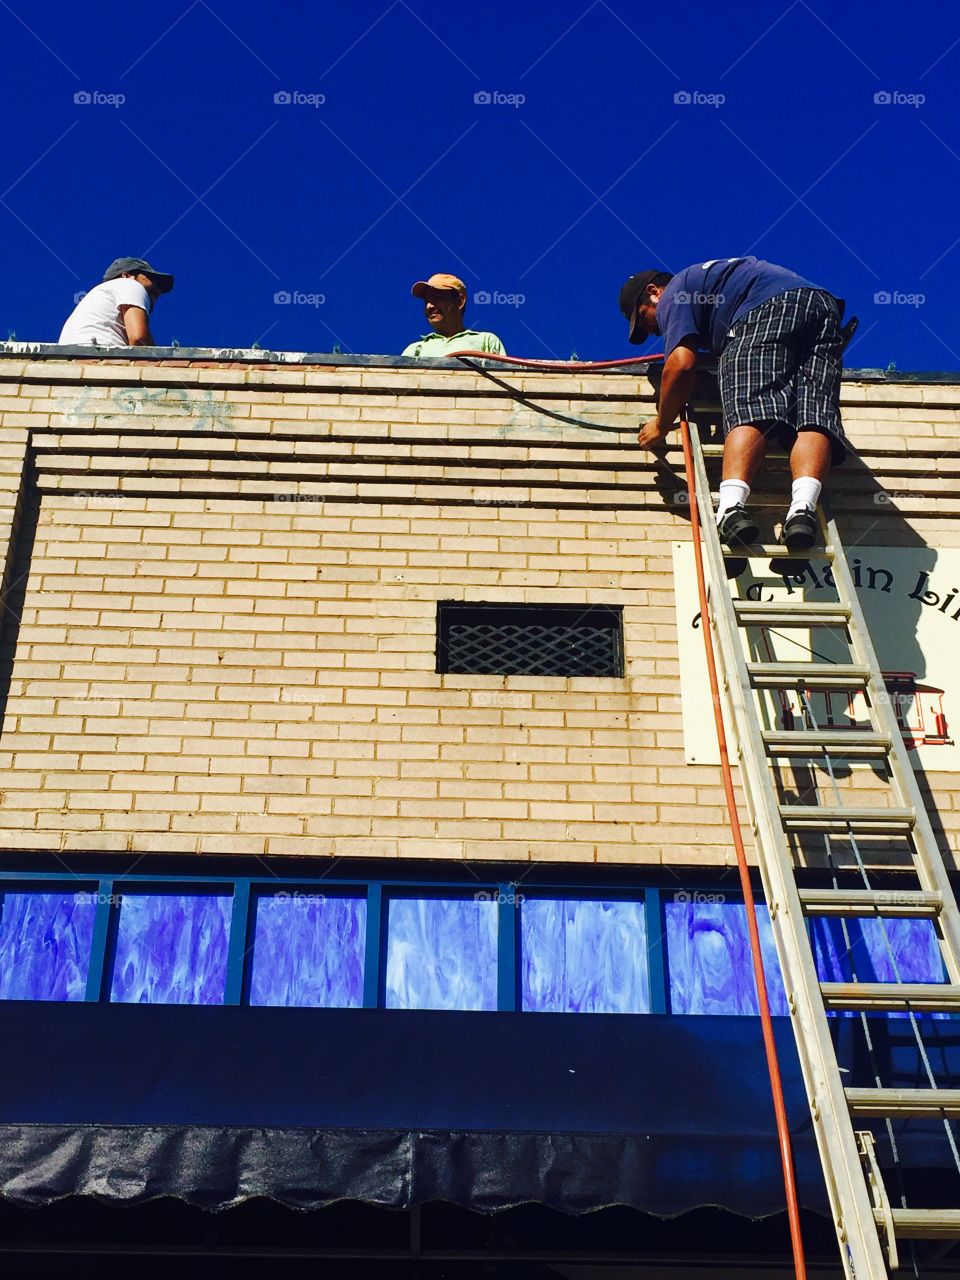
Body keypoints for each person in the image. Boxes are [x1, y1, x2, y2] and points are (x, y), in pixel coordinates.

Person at [620, 256, 848, 551]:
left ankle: (730, 510)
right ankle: (802, 512)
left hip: (765, 309)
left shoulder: (676, 292)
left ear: (654, 292)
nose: (653, 330)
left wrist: (661, 424)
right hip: (822, 307)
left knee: (749, 410)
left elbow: (680, 365)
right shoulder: (713, 285)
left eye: (644, 317)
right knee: (812, 415)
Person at [59, 257, 174, 348]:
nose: (157, 288)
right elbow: (138, 339)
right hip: (98, 359)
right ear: (127, 275)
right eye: (149, 276)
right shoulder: (130, 284)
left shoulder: (100, 294)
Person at [402, 273, 505, 359]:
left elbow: (504, 377)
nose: (429, 306)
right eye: (426, 301)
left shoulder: (487, 341)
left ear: (460, 302)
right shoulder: (415, 349)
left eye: (437, 299)